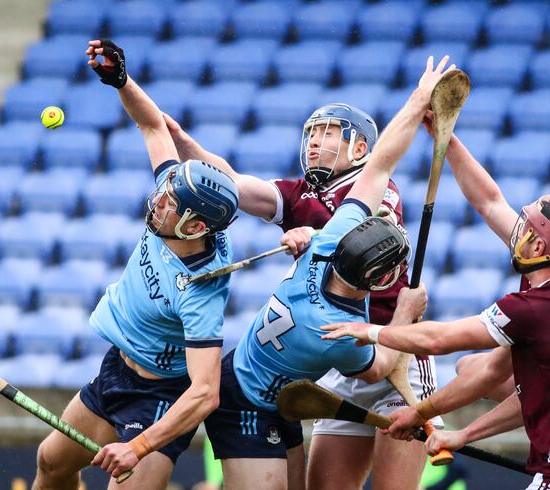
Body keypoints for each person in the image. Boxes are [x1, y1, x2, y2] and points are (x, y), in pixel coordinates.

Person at [162, 57, 451, 490]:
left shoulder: (379, 193)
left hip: (396, 352)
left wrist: (313, 236)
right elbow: (236, 187)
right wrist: (184, 142)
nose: (315, 141)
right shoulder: (301, 194)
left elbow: (366, 243)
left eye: (329, 132)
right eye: (312, 133)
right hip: (341, 354)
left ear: (359, 149)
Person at [323, 143, 550, 488]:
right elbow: (489, 202)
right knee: (467, 367)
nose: (520, 233)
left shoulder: (536, 307)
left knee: (474, 368)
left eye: (528, 230)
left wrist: (371, 332)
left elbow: (440, 340)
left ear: (542, 247)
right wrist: (448, 141)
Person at [31, 40, 240, 490]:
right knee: (51, 462)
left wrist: (139, 446)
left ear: (195, 225)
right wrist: (121, 80)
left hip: (161, 400)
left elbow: (204, 393)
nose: (157, 200)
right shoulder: (177, 195)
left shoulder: (201, 292)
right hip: (118, 371)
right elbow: (152, 126)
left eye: (169, 204)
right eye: (163, 193)